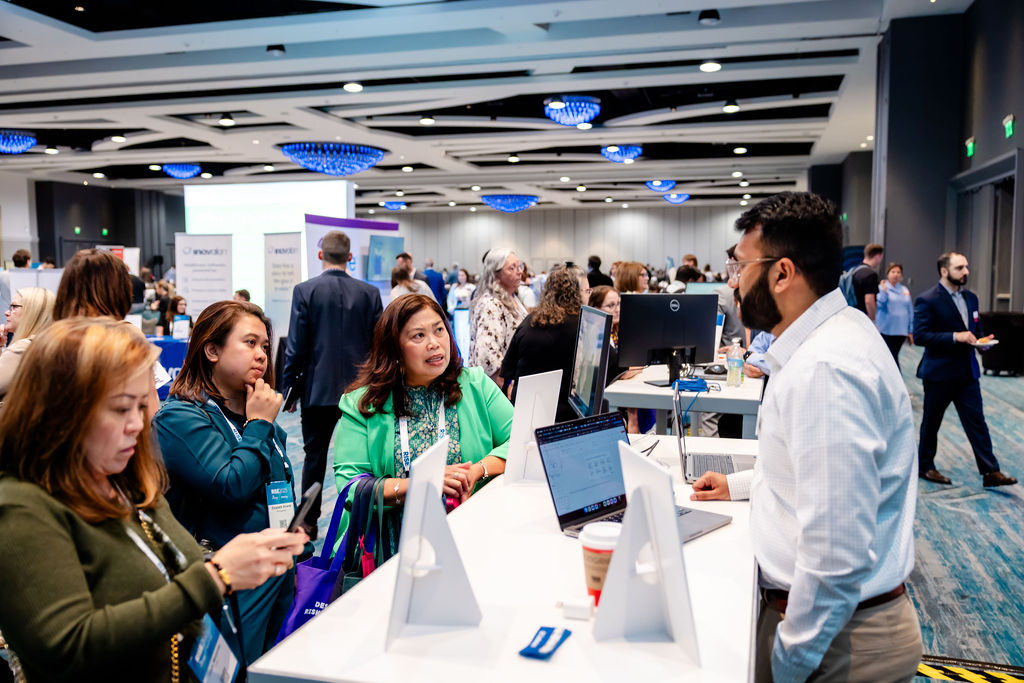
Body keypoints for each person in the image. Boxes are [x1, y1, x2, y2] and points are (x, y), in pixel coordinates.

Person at [690, 192, 922, 682]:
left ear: (782, 274)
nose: (733, 282)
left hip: (838, 643)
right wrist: (739, 484)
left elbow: (835, 556)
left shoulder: (825, 370)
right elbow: (816, 475)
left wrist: (788, 665)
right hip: (836, 629)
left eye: (740, 267)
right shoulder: (833, 333)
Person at [0, 317, 306, 682]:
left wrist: (235, 560)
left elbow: (169, 569)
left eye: (141, 405)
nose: (138, 423)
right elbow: (68, 647)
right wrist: (215, 576)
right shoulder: (21, 507)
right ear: (63, 409)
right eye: (120, 408)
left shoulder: (126, 480)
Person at [154, 301, 301, 663]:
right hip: (226, 579)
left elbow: (278, 487)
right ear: (212, 351)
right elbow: (230, 486)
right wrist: (259, 426)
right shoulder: (180, 417)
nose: (261, 354)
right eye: (249, 343)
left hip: (275, 569)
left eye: (265, 346)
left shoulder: (256, 415)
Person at [334, 294, 513, 531]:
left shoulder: (475, 385)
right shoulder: (363, 404)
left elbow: (521, 440)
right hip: (392, 543)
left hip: (473, 531)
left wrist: (476, 470)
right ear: (394, 348)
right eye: (418, 335)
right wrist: (420, 484)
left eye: (439, 330)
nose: (434, 343)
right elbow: (350, 487)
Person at [282, 230, 383, 535]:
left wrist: (289, 391)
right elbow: (379, 345)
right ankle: (367, 516)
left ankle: (309, 522)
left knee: (314, 457)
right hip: (361, 390)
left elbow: (295, 347)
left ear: (320, 255)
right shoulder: (369, 293)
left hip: (318, 390)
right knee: (367, 456)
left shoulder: (305, 291)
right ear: (350, 257)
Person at [913, 251, 1016, 488]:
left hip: (967, 373)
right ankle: (925, 466)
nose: (966, 272)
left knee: (977, 422)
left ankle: (991, 471)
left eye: (966, 267)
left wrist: (982, 342)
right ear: (944, 271)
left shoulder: (971, 298)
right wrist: (955, 336)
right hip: (939, 374)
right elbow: (920, 336)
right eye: (960, 268)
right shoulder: (927, 300)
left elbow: (975, 330)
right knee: (931, 422)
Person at [501, 264, 587, 422]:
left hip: (524, 412)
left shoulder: (530, 320)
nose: (589, 296)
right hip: (565, 416)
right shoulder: (581, 324)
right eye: (587, 291)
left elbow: (507, 370)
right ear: (576, 294)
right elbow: (613, 366)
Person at [468, 248, 527, 385]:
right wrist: (505, 385)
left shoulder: (513, 298)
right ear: (496, 274)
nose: (519, 271)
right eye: (512, 268)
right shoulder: (491, 304)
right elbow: (487, 354)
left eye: (520, 266)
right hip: (501, 385)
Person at [0, 287, 55, 398]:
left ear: (32, 311)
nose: (6, 313)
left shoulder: (21, 349)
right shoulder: (48, 344)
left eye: (14, 307)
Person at [876, 262, 914, 367]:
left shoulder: (905, 290)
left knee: (893, 356)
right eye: (893, 272)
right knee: (889, 357)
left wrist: (910, 330)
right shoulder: (882, 288)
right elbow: (879, 305)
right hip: (886, 329)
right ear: (888, 274)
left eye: (898, 272)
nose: (896, 274)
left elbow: (910, 310)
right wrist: (884, 292)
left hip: (901, 330)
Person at [853, 243, 884, 320]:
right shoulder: (871, 274)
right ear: (877, 256)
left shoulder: (854, 271)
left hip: (852, 315)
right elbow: (869, 301)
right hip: (863, 317)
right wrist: (873, 320)